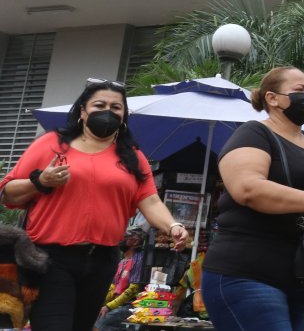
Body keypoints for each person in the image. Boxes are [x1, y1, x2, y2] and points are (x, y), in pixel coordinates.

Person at [0, 78, 189, 331]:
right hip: (51, 258)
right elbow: (7, 193)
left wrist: (173, 225)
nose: (107, 112)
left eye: (115, 107)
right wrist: (40, 181)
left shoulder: (132, 157)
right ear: (82, 111)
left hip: (102, 260)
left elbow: (150, 200)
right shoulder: (52, 144)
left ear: (124, 115)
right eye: (99, 105)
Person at [202, 67, 304, 331]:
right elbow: (247, 188)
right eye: (299, 90)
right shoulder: (254, 134)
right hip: (248, 272)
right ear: (272, 98)